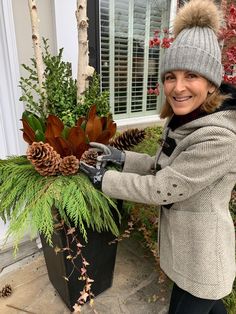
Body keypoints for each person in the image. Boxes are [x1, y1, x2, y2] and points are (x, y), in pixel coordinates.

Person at [80, 0, 236, 313]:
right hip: (187, 254)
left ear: (210, 82)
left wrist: (103, 180)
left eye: (191, 75)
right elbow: (161, 167)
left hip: (204, 260)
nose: (177, 87)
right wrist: (120, 157)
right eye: (170, 76)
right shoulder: (184, 120)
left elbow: (162, 188)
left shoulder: (219, 137)